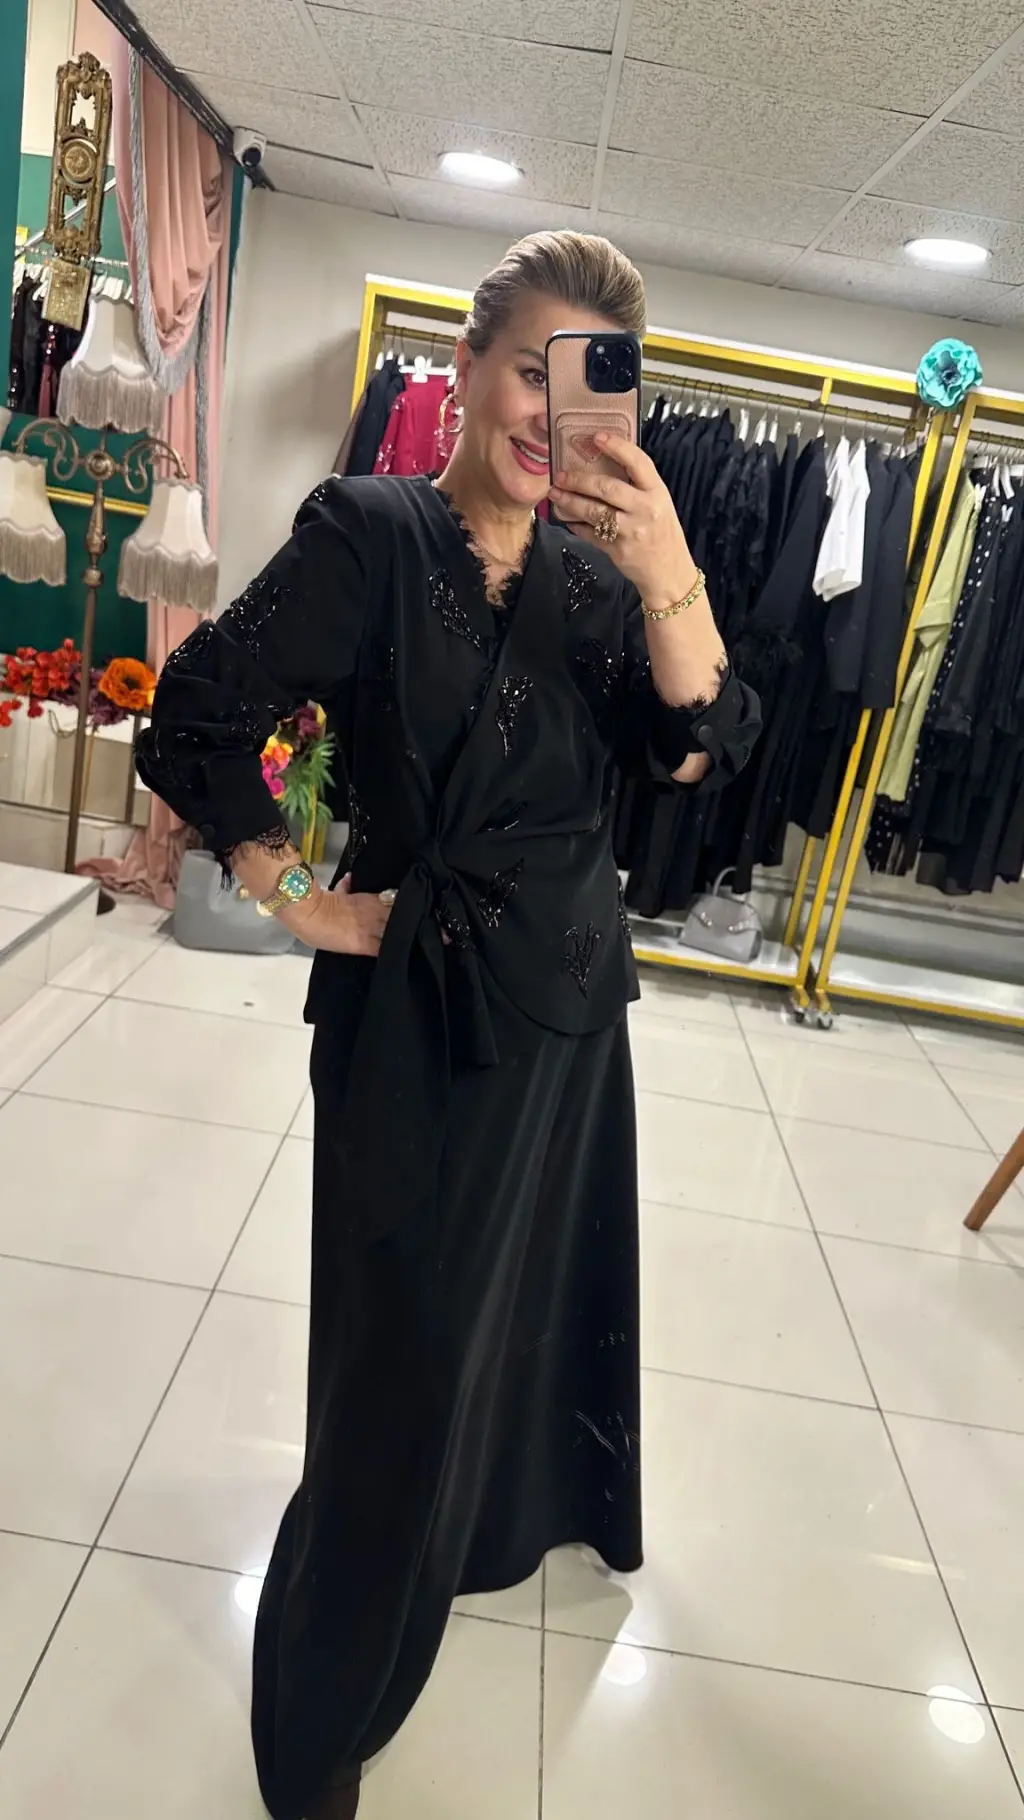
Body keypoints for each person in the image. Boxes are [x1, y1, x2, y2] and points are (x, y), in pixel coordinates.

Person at [136, 231, 760, 1820]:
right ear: (468, 369)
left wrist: (667, 560)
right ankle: (322, 1719)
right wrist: (298, 898)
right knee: (392, 1373)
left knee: (521, 1314)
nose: (552, 411)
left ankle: (487, 1530)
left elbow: (703, 750)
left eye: (589, 387)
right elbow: (196, 715)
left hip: (567, 1021)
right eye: (528, 370)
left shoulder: (601, 584)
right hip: (411, 1012)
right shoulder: (370, 532)